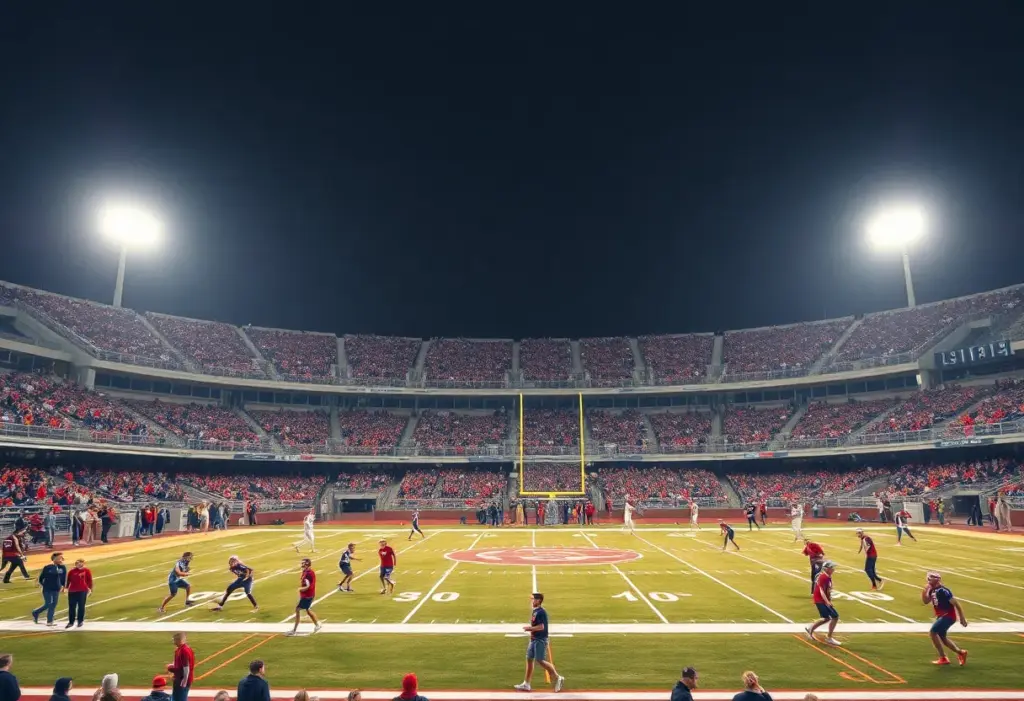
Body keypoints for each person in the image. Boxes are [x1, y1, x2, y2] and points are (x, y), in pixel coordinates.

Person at [514, 593, 565, 693]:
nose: (532, 601)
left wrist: (530, 628)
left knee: (540, 660)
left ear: (538, 601)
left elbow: (541, 627)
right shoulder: (535, 611)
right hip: (534, 639)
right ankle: (526, 684)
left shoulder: (541, 612)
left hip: (540, 640)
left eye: (533, 599)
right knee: (529, 659)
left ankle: (558, 678)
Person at [923, 572, 969, 666]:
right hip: (942, 616)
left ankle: (943, 658)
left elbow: (956, 604)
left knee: (933, 632)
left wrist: (962, 618)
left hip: (948, 616)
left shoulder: (943, 591)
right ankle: (961, 653)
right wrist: (925, 591)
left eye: (929, 579)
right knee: (942, 637)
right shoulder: (933, 590)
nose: (928, 581)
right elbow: (926, 601)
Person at [805, 561, 841, 646]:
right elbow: (821, 590)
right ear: (827, 569)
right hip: (821, 600)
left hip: (822, 600)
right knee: (834, 617)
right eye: (832, 568)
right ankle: (829, 637)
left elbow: (826, 589)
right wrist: (827, 602)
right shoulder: (823, 577)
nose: (833, 569)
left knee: (827, 618)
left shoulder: (826, 576)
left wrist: (829, 599)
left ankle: (811, 629)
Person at [286, 558, 322, 636]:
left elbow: (309, 586)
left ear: (307, 564)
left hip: (307, 595)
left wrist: (301, 589)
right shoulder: (306, 571)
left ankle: (294, 630)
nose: (302, 564)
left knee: (298, 609)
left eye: (303, 563)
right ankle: (317, 625)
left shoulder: (309, 573)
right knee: (308, 610)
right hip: (306, 595)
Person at [31, 552, 67, 627]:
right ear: (54, 559)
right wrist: (44, 585)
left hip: (56, 589)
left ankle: (48, 620)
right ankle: (37, 613)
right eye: (60, 558)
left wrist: (63, 587)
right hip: (47, 589)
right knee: (48, 604)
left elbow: (63, 578)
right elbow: (41, 578)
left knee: (53, 604)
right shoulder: (47, 567)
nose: (62, 559)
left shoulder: (62, 567)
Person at [166, 633, 195, 701]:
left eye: (174, 640)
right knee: (176, 697)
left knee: (180, 698)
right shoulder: (182, 649)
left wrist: (184, 682)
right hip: (179, 679)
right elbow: (180, 665)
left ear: (179, 640)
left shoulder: (184, 651)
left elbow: (186, 668)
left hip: (181, 681)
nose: (173, 642)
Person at [66, 558, 93, 628]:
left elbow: (89, 580)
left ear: (83, 563)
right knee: (72, 607)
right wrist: (66, 588)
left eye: (81, 563)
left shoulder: (86, 570)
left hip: (82, 590)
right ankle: (71, 622)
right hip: (72, 591)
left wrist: (90, 589)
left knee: (81, 606)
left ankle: (80, 621)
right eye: (78, 563)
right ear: (76, 564)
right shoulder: (71, 571)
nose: (79, 564)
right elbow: (68, 580)